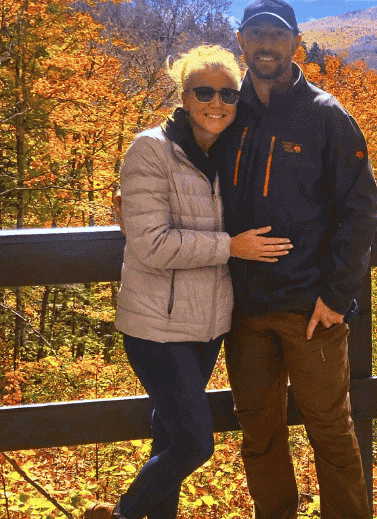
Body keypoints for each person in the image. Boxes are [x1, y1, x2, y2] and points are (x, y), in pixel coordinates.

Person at [86, 45, 293, 519]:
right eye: (204, 91)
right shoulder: (150, 149)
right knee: (196, 444)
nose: (217, 102)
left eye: (228, 93)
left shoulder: (230, 149)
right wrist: (230, 247)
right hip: (157, 328)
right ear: (183, 96)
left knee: (171, 438)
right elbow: (152, 245)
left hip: (207, 325)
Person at [214, 0, 377, 519]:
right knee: (259, 437)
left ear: (296, 44)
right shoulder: (225, 112)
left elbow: (362, 210)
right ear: (240, 41)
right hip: (244, 310)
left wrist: (336, 296)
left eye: (277, 35)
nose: (266, 44)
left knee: (331, 433)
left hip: (311, 311)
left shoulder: (326, 117)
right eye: (256, 34)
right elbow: (177, 153)